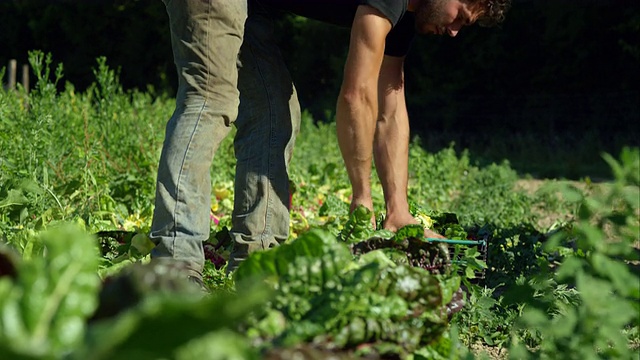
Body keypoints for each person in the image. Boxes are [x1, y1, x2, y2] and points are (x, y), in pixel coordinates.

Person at [149, 0, 512, 284]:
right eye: (462, 17)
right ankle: (175, 267)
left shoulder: (406, 14)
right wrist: (362, 199)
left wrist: (398, 210)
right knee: (211, 98)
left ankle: (254, 265)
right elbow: (357, 95)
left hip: (253, 3)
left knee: (276, 112)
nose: (455, 32)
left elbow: (390, 106)